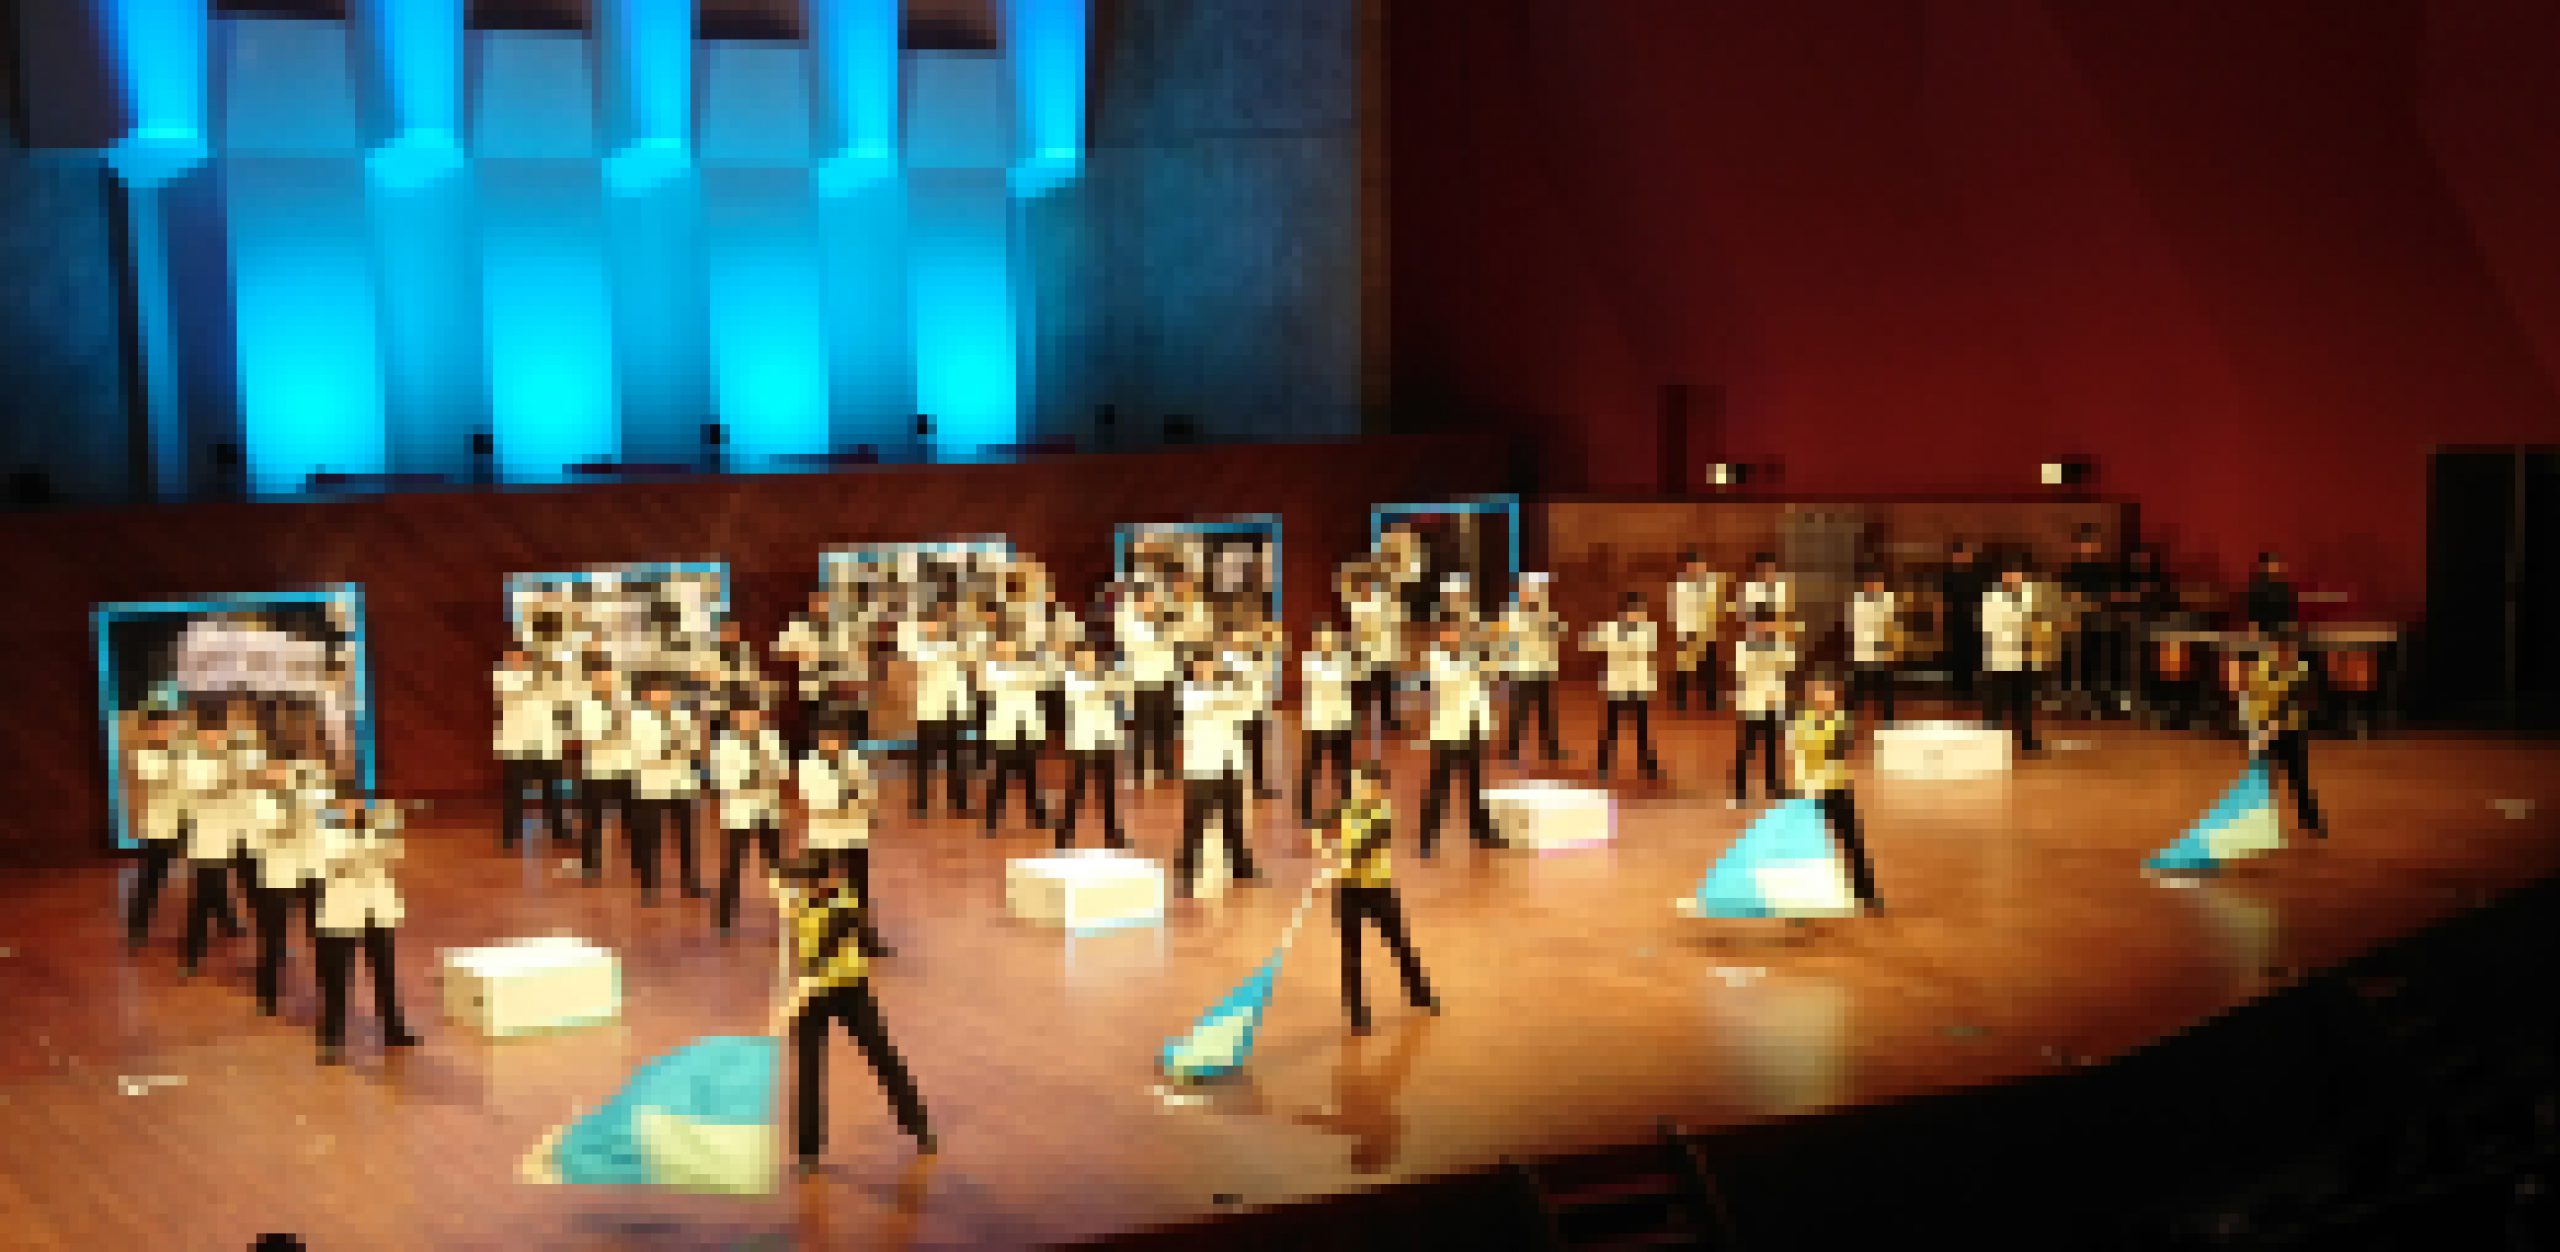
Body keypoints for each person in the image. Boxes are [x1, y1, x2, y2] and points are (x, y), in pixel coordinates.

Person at [768, 853, 934, 1176]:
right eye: (803, 883)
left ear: (827, 881)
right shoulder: (801, 901)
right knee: (808, 1071)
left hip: (848, 991)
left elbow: (823, 954)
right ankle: (808, 1153)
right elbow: (780, 878)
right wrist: (778, 885)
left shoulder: (845, 906)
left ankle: (919, 1125)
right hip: (813, 995)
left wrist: (791, 1001)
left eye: (811, 883)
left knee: (883, 1057)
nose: (806, 888)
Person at [1315, 762, 1441, 1037]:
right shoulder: (1343, 809)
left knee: (1399, 943)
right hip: (1347, 892)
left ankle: (1419, 992)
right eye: (1357, 785)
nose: (1359, 790)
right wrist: (1322, 844)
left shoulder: (1383, 814)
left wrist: (1339, 856)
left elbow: (1365, 847)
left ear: (1377, 789)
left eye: (1365, 785)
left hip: (1378, 890)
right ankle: (1357, 1013)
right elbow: (1319, 826)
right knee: (1351, 952)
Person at [313, 798, 420, 1065]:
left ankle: (393, 1029)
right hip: (341, 910)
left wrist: (382, 822)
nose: (355, 807)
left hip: (376, 907)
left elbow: (393, 853)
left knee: (385, 971)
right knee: (338, 978)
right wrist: (364, 834)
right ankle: (332, 1040)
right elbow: (335, 860)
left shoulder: (378, 826)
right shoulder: (324, 826)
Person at [1790, 674, 1882, 915]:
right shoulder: (1803, 723)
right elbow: (1810, 752)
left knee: (1852, 840)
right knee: (1809, 847)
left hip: (1837, 788)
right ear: (1812, 698)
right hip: (1811, 792)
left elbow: (1838, 748)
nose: (1828, 698)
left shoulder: (1838, 720)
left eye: (1830, 694)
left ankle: (1865, 893)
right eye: (1823, 693)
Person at [1176, 654, 1261, 898]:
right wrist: (1232, 700)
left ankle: (1239, 867)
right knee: (1196, 824)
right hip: (1202, 767)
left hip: (1230, 765)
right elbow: (1216, 709)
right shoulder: (1189, 694)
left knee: (1233, 819)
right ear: (1194, 670)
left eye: (1211, 665)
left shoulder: (1228, 693)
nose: (1208, 669)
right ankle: (1188, 873)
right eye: (1203, 666)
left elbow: (1248, 712)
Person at [794, 726, 888, 948]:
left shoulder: (855, 762)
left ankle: (862, 936)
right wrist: (849, 800)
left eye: (838, 739)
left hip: (854, 835)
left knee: (859, 888)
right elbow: (819, 802)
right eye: (829, 739)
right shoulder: (810, 767)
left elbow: (869, 794)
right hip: (824, 838)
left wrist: (863, 806)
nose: (834, 744)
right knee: (826, 890)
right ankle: (826, 937)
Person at [1417, 623, 1500, 858]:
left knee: (1474, 786)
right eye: (1450, 635)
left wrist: (1486, 728)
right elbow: (1445, 685)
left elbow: (1481, 695)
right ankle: (1428, 838)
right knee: (1439, 787)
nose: (1455, 639)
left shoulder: (1473, 662)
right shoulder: (1436, 661)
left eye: (1458, 636)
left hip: (1473, 731)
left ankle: (1480, 832)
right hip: (1447, 733)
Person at [713, 705, 790, 933]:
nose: (749, 722)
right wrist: (756, 780)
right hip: (739, 813)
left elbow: (782, 773)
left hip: (768, 810)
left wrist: (762, 779)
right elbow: (724, 779)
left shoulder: (771, 741)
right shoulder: (726, 746)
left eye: (753, 717)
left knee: (776, 864)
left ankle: (787, 912)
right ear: (735, 719)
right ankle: (725, 917)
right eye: (744, 717)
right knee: (733, 865)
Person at [2243, 631, 2327, 840]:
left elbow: (2307, 701)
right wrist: (2260, 729)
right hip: (2266, 732)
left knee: (2298, 780)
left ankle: (2309, 820)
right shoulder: (2262, 670)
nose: (2283, 652)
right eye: (2279, 648)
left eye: (2287, 648)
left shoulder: (2300, 671)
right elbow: (2255, 701)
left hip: (2292, 733)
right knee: (2265, 782)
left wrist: (2285, 712)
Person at [628, 683, 706, 903]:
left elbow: (695, 748)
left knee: (687, 835)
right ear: (647, 696)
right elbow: (641, 752)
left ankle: (690, 880)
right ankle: (649, 885)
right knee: (651, 837)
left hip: (681, 783)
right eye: (657, 693)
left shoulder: (683, 718)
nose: (662, 697)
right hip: (652, 785)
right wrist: (671, 749)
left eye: (666, 693)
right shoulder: (639, 721)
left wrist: (677, 749)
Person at [123, 710, 192, 951]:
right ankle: (137, 929)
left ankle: (226, 917)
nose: (171, 730)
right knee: (151, 878)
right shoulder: (145, 756)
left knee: (211, 872)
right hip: (159, 827)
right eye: (165, 726)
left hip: (186, 823)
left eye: (173, 726)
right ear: (152, 729)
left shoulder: (183, 753)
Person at [1054, 644, 1130, 849]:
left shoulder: (1107, 680)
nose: (1086, 661)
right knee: (1076, 789)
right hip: (1081, 742)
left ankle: (1111, 833)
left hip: (1105, 740)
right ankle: (1065, 832)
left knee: (1107, 790)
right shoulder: (1072, 680)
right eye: (1082, 657)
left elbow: (1121, 702)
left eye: (1089, 657)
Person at [1583, 592, 1663, 781]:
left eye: (1641, 611)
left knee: (1642, 731)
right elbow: (1587, 644)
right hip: (1617, 686)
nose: (1639, 614)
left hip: (1638, 687)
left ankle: (1647, 767)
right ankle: (1603, 767)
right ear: (1626, 612)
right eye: (1636, 611)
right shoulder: (1612, 630)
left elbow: (1645, 654)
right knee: (1611, 730)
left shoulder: (1647, 630)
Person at [494, 649, 568, 850]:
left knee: (552, 790)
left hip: (547, 743)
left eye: (521, 658)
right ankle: (510, 833)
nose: (518, 660)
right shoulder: (506, 679)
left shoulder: (548, 681)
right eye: (513, 658)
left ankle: (558, 829)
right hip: (518, 745)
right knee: (515, 792)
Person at [979, 637, 1052, 835]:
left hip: (1027, 729)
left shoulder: (1032, 669)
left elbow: (1044, 684)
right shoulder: (993, 669)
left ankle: (1036, 815)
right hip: (1004, 730)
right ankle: (992, 817)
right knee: (1001, 775)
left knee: (1030, 775)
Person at [1497, 574, 1567, 764]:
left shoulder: (1548, 616)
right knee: (1518, 715)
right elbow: (1503, 642)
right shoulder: (1512, 616)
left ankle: (1550, 749)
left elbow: (1560, 634)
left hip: (1543, 671)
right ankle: (1513, 751)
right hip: (1520, 671)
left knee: (1546, 715)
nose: (1532, 594)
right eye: (1527, 590)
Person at [1730, 611, 1796, 807]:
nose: (1764, 628)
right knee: (1746, 749)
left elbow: (1788, 671)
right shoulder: (1744, 648)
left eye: (1768, 624)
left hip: (1774, 704)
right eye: (1761, 624)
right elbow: (1741, 676)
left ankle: (1774, 788)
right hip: (1752, 704)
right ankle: (1740, 791)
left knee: (1773, 749)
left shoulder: (1781, 648)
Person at [1298, 623, 1360, 824]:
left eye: (1331, 640)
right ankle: (1307, 810)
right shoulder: (1311, 662)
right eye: (1323, 640)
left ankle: (1345, 806)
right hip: (1318, 722)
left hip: (1340, 722)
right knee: (1312, 767)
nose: (1327, 644)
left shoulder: (1344, 662)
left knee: (1343, 767)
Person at [1981, 561, 2044, 755]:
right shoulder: (1992, 599)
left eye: (2017, 574)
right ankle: (1992, 741)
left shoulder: (2030, 597)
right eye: (2010, 574)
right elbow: (1991, 628)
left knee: (2024, 703)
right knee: (1996, 704)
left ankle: (2026, 740)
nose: (2014, 578)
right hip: (2000, 659)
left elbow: (2036, 624)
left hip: (2024, 658)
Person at [2062, 528, 2125, 717]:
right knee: (2080, 662)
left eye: (2092, 543)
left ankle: (2105, 699)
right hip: (2079, 624)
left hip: (2101, 624)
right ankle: (2081, 700)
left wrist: (2097, 604)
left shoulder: (2105, 571)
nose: (2089, 547)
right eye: (2085, 543)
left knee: (2104, 661)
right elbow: (2067, 598)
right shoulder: (2071, 571)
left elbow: (2112, 596)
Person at [1668, 551, 1731, 713]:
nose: (1696, 570)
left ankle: (1712, 701)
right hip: (1687, 632)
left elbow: (1721, 606)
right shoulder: (1680, 586)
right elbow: (1674, 611)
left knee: (1709, 669)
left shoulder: (1712, 583)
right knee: (1684, 670)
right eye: (1692, 567)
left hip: (1707, 633)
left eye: (1699, 566)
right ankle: (1681, 701)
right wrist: (1682, 631)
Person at [1938, 540, 1990, 706]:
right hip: (1955, 623)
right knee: (1957, 656)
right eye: (1958, 555)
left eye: (1965, 554)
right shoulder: (1948, 577)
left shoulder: (1978, 576)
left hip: (1974, 622)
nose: (1962, 558)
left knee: (1974, 656)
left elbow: (1983, 599)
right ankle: (1958, 691)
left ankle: (1972, 690)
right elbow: (1943, 602)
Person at [1847, 568, 1900, 724]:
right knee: (1861, 689)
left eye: (1877, 583)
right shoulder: (1859, 602)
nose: (1874, 586)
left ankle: (1887, 720)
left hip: (1883, 654)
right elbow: (1855, 628)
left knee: (1884, 689)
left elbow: (1891, 628)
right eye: (1871, 583)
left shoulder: (1887, 601)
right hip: (1863, 653)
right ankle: (1854, 719)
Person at [2245, 551, 2299, 635]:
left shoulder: (2284, 589)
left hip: (2281, 633)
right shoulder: (2257, 589)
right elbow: (2253, 618)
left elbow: (2290, 616)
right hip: (2264, 634)